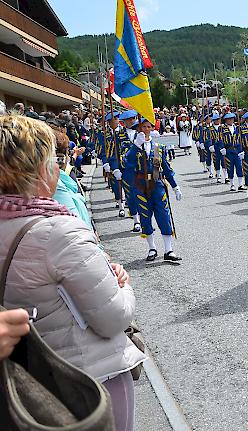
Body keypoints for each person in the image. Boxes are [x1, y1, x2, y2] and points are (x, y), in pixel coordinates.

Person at [0, 115, 146, 431]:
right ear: (38, 170)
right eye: (53, 159)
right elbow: (114, 318)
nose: (57, 167)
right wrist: (123, 284)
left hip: (33, 379)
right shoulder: (59, 231)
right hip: (89, 379)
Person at [123, 118, 183, 263]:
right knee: (145, 216)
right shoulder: (132, 147)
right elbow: (127, 164)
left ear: (151, 128)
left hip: (157, 185)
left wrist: (175, 186)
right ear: (139, 129)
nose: (146, 129)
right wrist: (136, 146)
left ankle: (169, 250)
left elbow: (167, 169)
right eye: (143, 127)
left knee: (163, 215)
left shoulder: (158, 147)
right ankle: (152, 248)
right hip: (140, 186)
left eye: (148, 126)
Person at [118, 110, 141, 233]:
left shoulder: (141, 132)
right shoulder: (119, 135)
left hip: (141, 168)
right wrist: (115, 167)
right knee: (131, 195)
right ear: (124, 122)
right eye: (128, 120)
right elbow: (114, 152)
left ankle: (145, 219)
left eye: (133, 118)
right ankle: (136, 220)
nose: (131, 121)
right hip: (126, 169)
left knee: (143, 194)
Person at [219, 112, 245, 192]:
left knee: (239, 167)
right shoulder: (222, 128)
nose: (231, 120)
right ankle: (232, 184)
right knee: (230, 167)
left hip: (236, 150)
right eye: (229, 119)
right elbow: (220, 138)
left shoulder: (237, 128)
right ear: (226, 120)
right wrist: (222, 147)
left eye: (232, 119)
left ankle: (240, 184)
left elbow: (241, 139)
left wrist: (241, 150)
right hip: (228, 150)